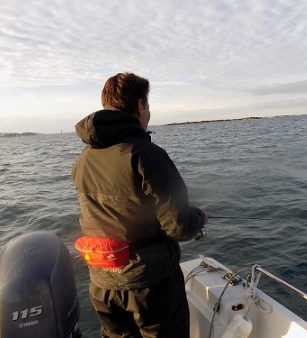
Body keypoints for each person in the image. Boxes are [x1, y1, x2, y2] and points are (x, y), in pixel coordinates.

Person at [72, 72, 207, 338]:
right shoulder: (147, 155)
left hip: (102, 285)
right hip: (150, 286)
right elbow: (178, 226)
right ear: (140, 106)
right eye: (148, 105)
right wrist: (199, 218)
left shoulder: (82, 161)